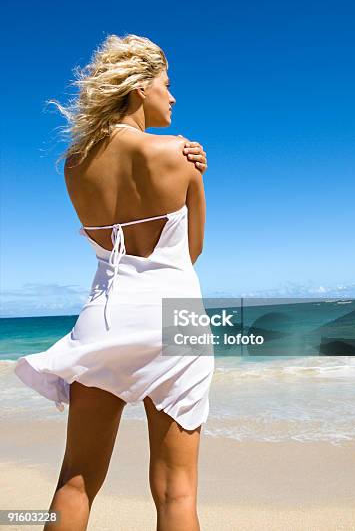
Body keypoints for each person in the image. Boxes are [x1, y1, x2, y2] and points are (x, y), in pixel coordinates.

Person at [14, 34, 215, 531]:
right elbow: (191, 252)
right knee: (177, 492)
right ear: (140, 87)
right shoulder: (177, 154)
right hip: (176, 315)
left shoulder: (74, 166)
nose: (172, 96)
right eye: (166, 85)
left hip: (105, 315)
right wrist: (197, 175)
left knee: (75, 480)